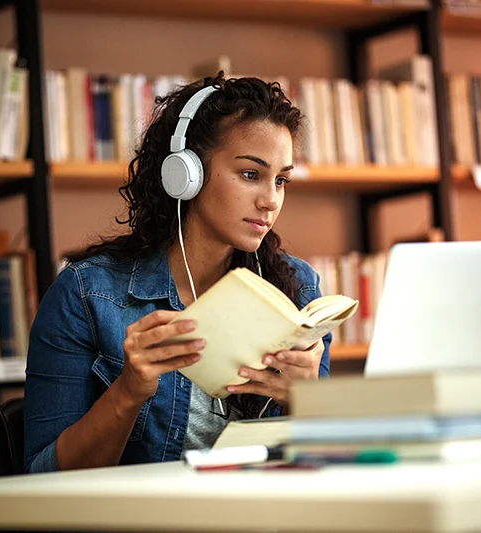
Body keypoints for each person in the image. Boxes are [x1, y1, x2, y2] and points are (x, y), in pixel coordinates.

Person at [24, 73, 332, 473]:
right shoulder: (86, 295)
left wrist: (308, 401)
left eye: (281, 180)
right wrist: (129, 391)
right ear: (187, 174)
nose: (271, 200)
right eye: (251, 174)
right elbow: (44, 476)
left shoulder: (297, 288)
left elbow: (320, 466)